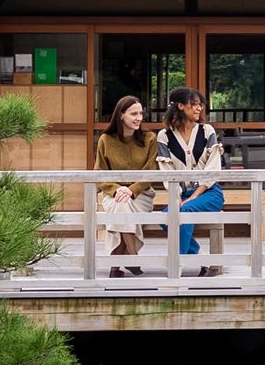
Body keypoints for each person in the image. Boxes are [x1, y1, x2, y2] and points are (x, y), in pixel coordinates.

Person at [157, 86, 225, 274]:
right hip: (179, 193)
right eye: (194, 104)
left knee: (183, 211)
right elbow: (166, 172)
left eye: (200, 105)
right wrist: (177, 197)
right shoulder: (165, 136)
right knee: (165, 217)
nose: (199, 109)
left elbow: (213, 169)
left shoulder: (206, 131)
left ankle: (176, 263)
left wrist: (193, 196)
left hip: (209, 192)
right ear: (180, 106)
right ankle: (200, 256)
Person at [93, 95, 157, 277]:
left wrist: (132, 189)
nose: (139, 118)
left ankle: (116, 267)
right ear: (121, 115)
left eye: (140, 113)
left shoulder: (149, 139)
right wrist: (116, 189)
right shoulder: (106, 140)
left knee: (121, 210)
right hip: (113, 195)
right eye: (133, 114)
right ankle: (133, 255)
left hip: (142, 195)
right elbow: (99, 173)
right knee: (121, 205)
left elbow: (151, 171)